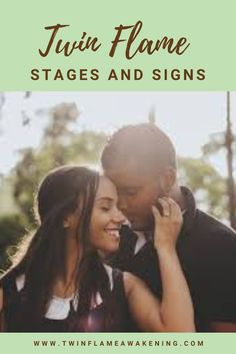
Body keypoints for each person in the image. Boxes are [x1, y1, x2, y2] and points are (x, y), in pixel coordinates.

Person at [0, 165, 194, 332]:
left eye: (117, 206)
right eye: (105, 207)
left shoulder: (123, 286)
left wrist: (166, 248)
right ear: (65, 217)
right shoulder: (8, 292)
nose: (120, 218)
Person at [101, 123, 236, 332]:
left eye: (130, 192)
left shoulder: (222, 247)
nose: (121, 205)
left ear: (167, 178)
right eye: (116, 192)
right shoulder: (109, 234)